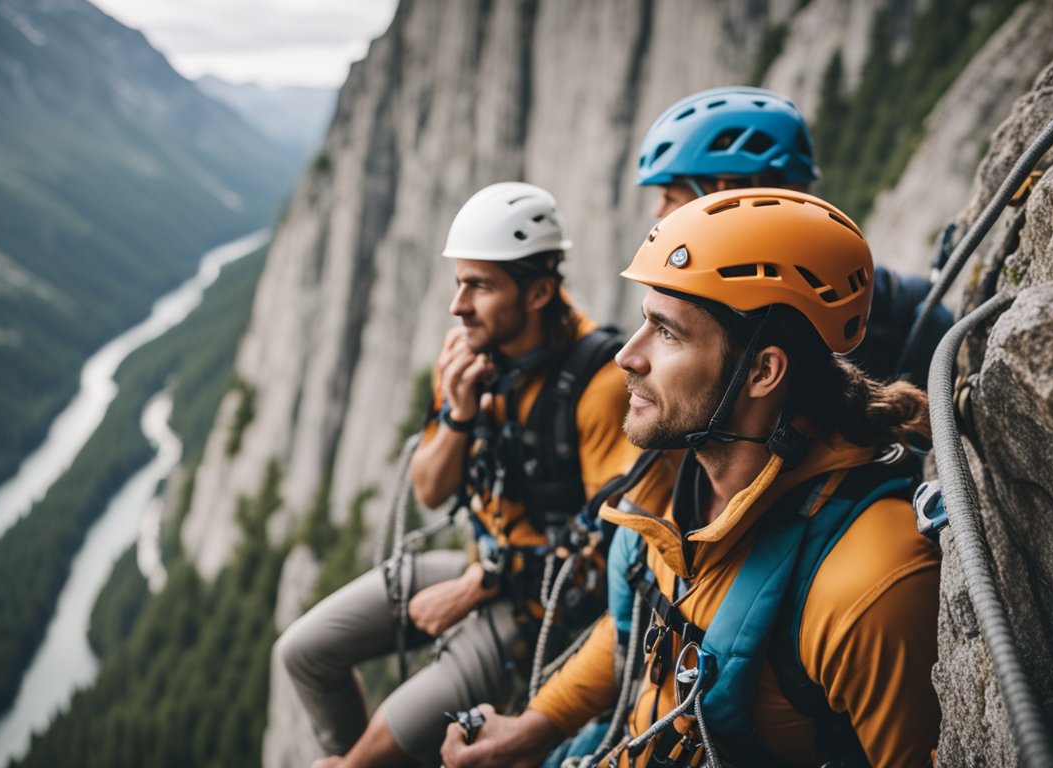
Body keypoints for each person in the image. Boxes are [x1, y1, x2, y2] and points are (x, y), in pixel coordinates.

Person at [441, 188, 942, 767]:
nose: (627, 356)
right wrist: (533, 726)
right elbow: (647, 619)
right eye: (642, 323)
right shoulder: (674, 490)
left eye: (668, 332)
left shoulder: (870, 586)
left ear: (762, 370)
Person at [280, 181, 645, 767]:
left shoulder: (598, 384)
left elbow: (609, 543)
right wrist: (458, 414)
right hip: (485, 568)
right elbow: (429, 488)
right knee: (303, 651)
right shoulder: (470, 357)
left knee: (360, 762)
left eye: (479, 285)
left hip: (541, 613)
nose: (459, 305)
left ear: (539, 292)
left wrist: (481, 586)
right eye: (459, 283)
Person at [634, 86, 953, 386]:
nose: (658, 209)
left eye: (669, 195)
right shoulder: (871, 308)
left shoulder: (903, 320)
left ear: (724, 191)